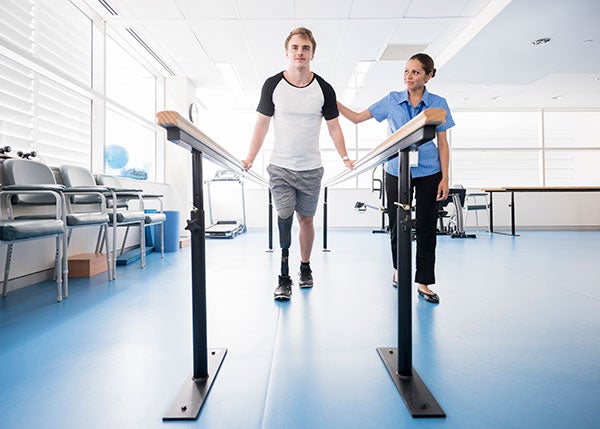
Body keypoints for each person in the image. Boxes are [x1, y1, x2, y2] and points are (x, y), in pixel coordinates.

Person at [242, 27, 354, 301]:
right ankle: (283, 275)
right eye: (295, 47)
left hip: (311, 168)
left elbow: (335, 128)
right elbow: (262, 124)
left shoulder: (324, 88)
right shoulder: (273, 84)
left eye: (305, 48)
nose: (300, 52)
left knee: (306, 219)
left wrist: (345, 157)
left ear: (312, 53)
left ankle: (304, 267)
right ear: (287, 52)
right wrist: (250, 158)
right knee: (284, 214)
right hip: (280, 166)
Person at [337, 53, 454, 304]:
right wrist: (331, 101)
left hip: (428, 172)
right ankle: (399, 269)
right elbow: (357, 118)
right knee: (397, 224)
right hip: (395, 171)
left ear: (428, 76)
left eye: (415, 72)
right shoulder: (392, 100)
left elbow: (443, 144)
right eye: (406, 71)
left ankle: (423, 282)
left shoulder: (438, 103)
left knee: (425, 226)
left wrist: (445, 178)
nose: (408, 77)